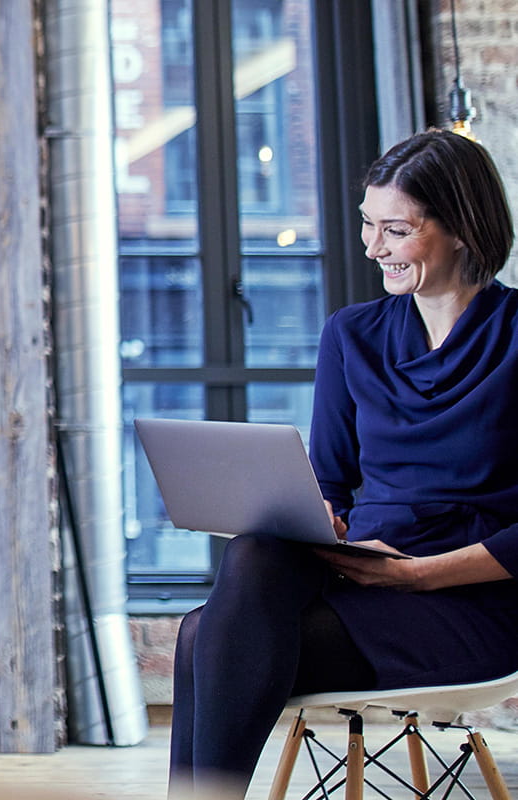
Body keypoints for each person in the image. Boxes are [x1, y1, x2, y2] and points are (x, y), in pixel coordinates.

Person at [168, 129, 518, 798]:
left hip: (470, 598)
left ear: (463, 229)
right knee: (255, 551)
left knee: (199, 637)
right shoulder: (351, 334)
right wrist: (318, 521)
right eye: (366, 224)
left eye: (395, 229)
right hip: (368, 571)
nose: (371, 247)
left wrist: (424, 577)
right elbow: (330, 480)